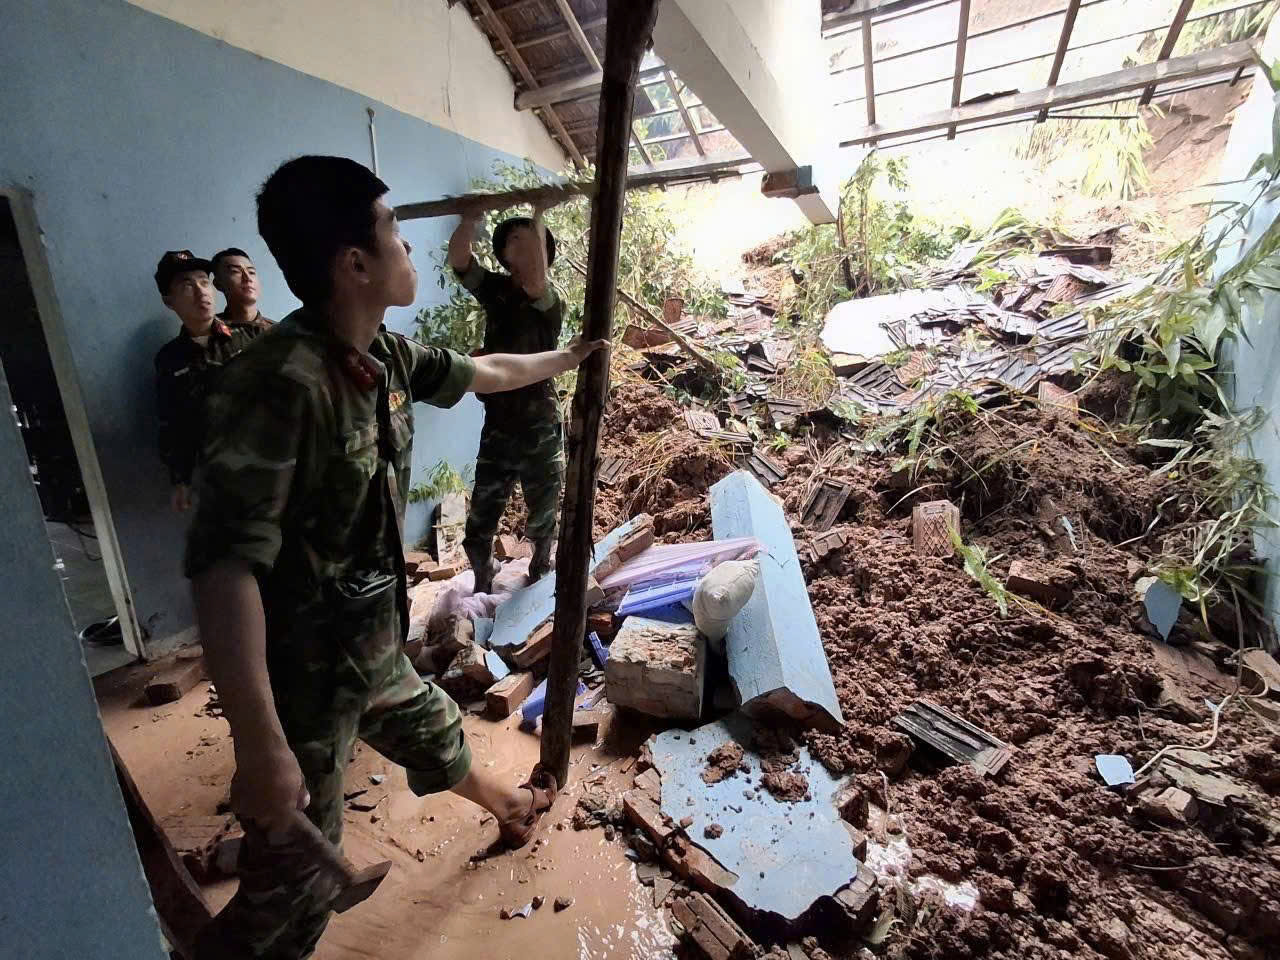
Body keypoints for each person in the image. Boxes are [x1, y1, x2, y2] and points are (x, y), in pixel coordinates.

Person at [186, 155, 606, 960]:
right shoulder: (274, 385)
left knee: (436, 732)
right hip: (302, 672)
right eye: (395, 235)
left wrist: (568, 358)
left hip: (368, 640)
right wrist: (259, 741)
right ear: (354, 264)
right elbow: (223, 571)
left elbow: (488, 371)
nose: (410, 252)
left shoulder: (388, 359)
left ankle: (511, 807)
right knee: (294, 890)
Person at [448, 206, 564, 594]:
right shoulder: (496, 289)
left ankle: (540, 568)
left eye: (529, 238)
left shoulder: (547, 299)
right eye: (513, 238)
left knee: (542, 514)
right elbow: (461, 262)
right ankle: (484, 574)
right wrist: (469, 219)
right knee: (479, 521)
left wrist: (539, 212)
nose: (521, 243)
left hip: (539, 424)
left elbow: (534, 278)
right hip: (498, 423)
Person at [152, 250, 262, 513]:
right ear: (169, 301)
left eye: (204, 281)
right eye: (187, 286)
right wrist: (181, 479)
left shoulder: (252, 338)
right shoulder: (170, 359)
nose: (201, 292)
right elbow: (174, 425)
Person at [211, 246, 273, 330]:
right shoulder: (207, 329)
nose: (247, 278)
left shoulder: (280, 332)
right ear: (218, 284)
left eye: (251, 272)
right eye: (235, 271)